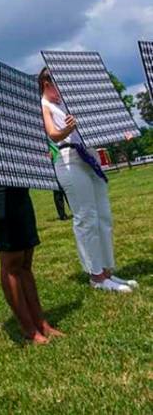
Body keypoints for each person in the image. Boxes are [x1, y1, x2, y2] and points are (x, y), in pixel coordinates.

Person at [0, 82, 63, 344]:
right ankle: (28, 329)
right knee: (11, 261)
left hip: (19, 191)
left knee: (26, 259)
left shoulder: (10, 121)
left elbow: (48, 152)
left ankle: (41, 322)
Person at [38, 68, 137, 292]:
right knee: (86, 218)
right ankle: (96, 276)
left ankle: (107, 270)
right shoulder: (44, 105)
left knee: (103, 215)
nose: (62, 89)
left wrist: (120, 130)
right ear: (46, 83)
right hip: (69, 159)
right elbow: (53, 134)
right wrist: (68, 129)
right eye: (58, 83)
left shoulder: (68, 101)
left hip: (89, 155)